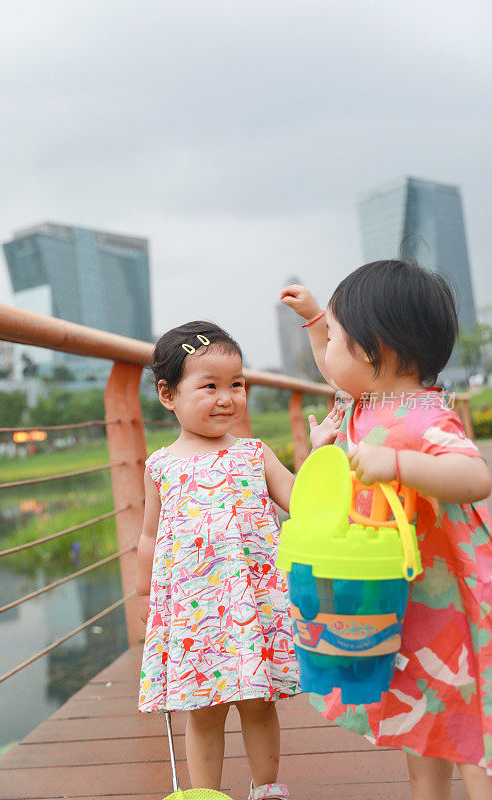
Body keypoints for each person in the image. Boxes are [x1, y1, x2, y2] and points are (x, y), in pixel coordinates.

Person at [281, 260, 492, 800]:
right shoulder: (364, 403)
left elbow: (474, 476)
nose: (329, 354)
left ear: (381, 351)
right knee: (423, 728)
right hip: (398, 599)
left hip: (443, 606)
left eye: (339, 338)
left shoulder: (424, 418)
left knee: (471, 730)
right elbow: (337, 371)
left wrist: (398, 465)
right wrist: (315, 322)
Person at [136, 320, 342, 800]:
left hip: (251, 606)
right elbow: (149, 536)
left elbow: (297, 497)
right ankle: (206, 793)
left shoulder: (253, 453)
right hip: (192, 610)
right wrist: (146, 596)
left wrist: (317, 452)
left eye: (237, 384)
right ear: (168, 395)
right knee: (202, 707)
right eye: (209, 386)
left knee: (257, 700)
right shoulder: (161, 465)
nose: (227, 397)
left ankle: (267, 787)